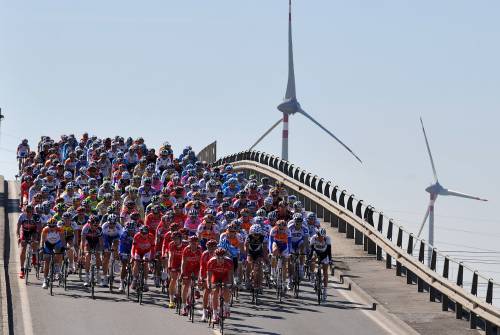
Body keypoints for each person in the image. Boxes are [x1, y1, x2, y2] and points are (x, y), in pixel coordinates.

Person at [207, 247, 234, 321]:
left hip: (225, 276)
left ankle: (227, 307)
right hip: (215, 276)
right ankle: (214, 314)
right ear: (215, 257)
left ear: (224, 257)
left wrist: (231, 284)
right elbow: (209, 276)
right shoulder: (211, 262)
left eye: (222, 258)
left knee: (226, 289)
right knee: (215, 292)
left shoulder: (229, 262)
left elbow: (230, 275)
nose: (220, 260)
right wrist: (209, 284)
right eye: (218, 258)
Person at [16, 205, 42, 279]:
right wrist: (18, 237)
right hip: (25, 232)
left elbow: (39, 229)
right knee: (23, 248)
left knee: (34, 242)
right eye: (27, 212)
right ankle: (22, 269)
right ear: (25, 211)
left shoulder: (36, 217)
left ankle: (34, 256)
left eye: (31, 212)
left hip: (33, 232)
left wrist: (38, 239)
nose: (29, 213)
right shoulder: (22, 216)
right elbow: (18, 228)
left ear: (33, 212)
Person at [40, 218, 66, 289]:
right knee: (47, 261)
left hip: (57, 243)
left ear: (56, 226)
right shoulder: (45, 229)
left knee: (58, 251)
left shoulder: (60, 229)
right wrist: (41, 247)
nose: (51, 228)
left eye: (53, 226)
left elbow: (63, 240)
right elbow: (42, 240)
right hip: (48, 244)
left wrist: (64, 247)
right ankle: (45, 280)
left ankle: (57, 266)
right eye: (50, 226)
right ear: (48, 225)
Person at [180, 235, 202, 316]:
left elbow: (201, 264)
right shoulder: (186, 250)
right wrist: (182, 272)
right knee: (185, 286)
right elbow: (183, 262)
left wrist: (200, 276)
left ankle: (196, 290)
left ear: (197, 243)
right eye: (191, 243)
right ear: (189, 243)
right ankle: (184, 307)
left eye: (195, 243)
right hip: (187, 268)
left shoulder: (199, 250)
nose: (193, 245)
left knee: (198, 280)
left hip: (196, 268)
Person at [309, 228, 332, 301]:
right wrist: (309, 259)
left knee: (325, 272)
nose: (321, 238)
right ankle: (312, 274)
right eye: (320, 237)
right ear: (317, 235)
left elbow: (329, 251)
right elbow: (311, 250)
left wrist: (330, 260)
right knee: (312, 258)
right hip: (316, 253)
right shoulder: (313, 238)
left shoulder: (327, 239)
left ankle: (325, 291)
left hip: (324, 254)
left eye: (323, 237)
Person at [80, 215, 103, 287]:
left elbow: (101, 242)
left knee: (98, 255)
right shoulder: (85, 228)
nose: (95, 227)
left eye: (96, 225)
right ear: (89, 223)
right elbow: (83, 241)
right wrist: (82, 252)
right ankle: (87, 278)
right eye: (93, 225)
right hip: (88, 241)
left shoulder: (99, 229)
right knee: (87, 256)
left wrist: (101, 251)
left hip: (96, 242)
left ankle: (98, 273)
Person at [131, 225, 155, 291]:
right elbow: (133, 248)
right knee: (136, 263)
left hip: (147, 252)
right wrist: (133, 256)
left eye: (145, 233)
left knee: (145, 264)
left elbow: (153, 248)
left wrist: (152, 257)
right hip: (138, 251)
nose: (144, 235)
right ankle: (134, 280)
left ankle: (146, 282)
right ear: (140, 232)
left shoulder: (151, 236)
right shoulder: (136, 236)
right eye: (142, 233)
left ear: (148, 233)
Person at [101, 214, 123, 287]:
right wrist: (105, 249)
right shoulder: (104, 226)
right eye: (110, 223)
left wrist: (117, 248)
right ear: (108, 222)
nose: (112, 225)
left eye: (114, 224)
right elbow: (103, 238)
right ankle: (104, 277)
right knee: (106, 258)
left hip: (115, 237)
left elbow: (121, 237)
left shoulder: (118, 226)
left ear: (116, 223)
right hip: (106, 238)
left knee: (116, 244)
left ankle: (116, 261)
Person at [287, 212, 309, 284]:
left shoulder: (305, 228)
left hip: (299, 242)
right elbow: (287, 240)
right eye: (296, 222)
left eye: (299, 222)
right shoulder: (290, 227)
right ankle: (290, 279)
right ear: (294, 221)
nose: (298, 224)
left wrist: (306, 252)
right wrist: (289, 251)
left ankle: (301, 268)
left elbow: (306, 240)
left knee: (302, 250)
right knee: (291, 260)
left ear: (302, 222)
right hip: (291, 242)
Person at [268, 219, 291, 287]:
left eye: (282, 228)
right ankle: (273, 272)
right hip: (276, 244)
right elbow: (270, 242)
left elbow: (289, 243)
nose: (281, 230)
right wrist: (270, 252)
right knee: (274, 251)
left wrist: (289, 252)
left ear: (285, 227)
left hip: (284, 245)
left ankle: (284, 281)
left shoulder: (288, 231)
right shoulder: (273, 230)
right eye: (279, 228)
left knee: (284, 265)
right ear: (277, 227)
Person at [199, 239, 218, 321]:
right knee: (206, 291)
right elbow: (202, 267)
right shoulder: (205, 254)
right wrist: (202, 278)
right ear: (207, 247)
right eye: (210, 247)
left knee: (216, 291)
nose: (211, 249)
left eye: (213, 247)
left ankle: (216, 312)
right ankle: (204, 312)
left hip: (216, 272)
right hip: (206, 272)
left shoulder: (218, 254)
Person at [167, 231, 186, 308]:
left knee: (185, 280)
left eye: (177, 239)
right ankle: (171, 300)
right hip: (174, 262)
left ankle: (186, 298)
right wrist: (169, 266)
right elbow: (170, 256)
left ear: (180, 239)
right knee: (173, 279)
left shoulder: (185, 244)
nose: (175, 240)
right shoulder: (171, 244)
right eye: (173, 239)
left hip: (183, 262)